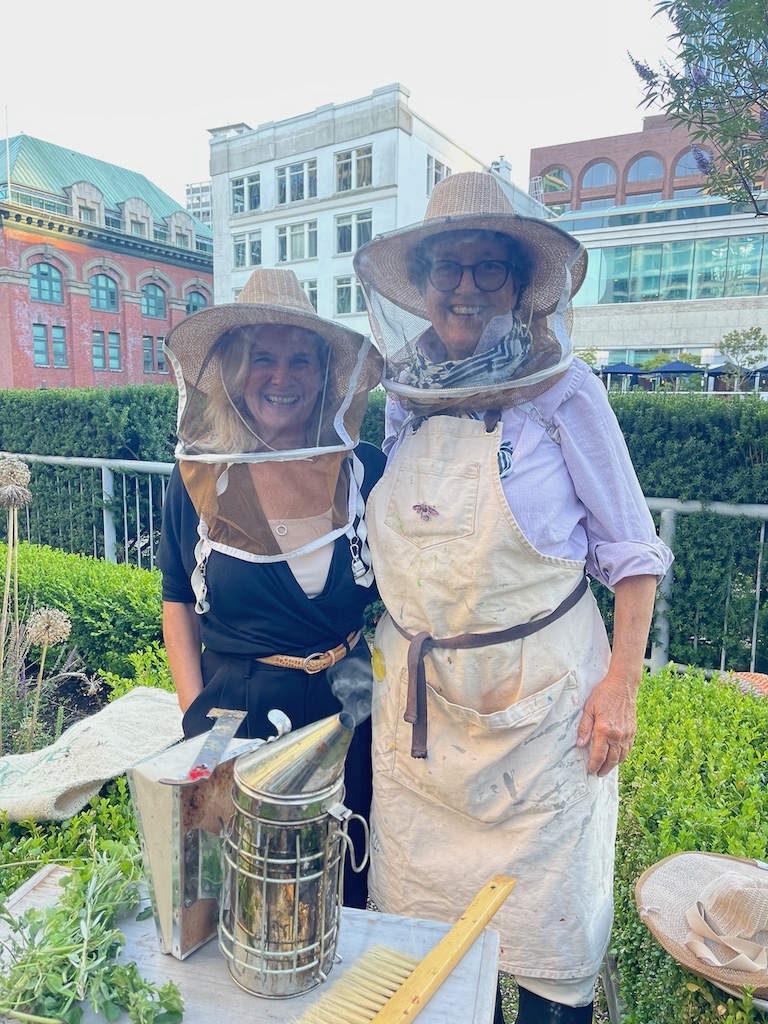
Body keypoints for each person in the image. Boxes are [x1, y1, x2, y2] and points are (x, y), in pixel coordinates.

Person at [353, 172, 674, 1022]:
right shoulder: (404, 398)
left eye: (487, 268)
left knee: (546, 950)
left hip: (540, 719)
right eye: (445, 267)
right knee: (421, 949)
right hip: (422, 722)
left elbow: (632, 553)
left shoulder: (566, 394)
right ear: (419, 285)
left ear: (520, 286)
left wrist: (622, 687)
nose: (464, 287)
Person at [157, 268, 384, 909]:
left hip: (352, 703)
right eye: (264, 358)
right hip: (242, 706)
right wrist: (196, 717)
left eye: (299, 360)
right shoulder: (200, 480)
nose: (281, 377)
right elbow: (177, 602)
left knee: (347, 875)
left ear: (324, 377)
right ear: (234, 370)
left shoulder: (364, 470)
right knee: (253, 893)